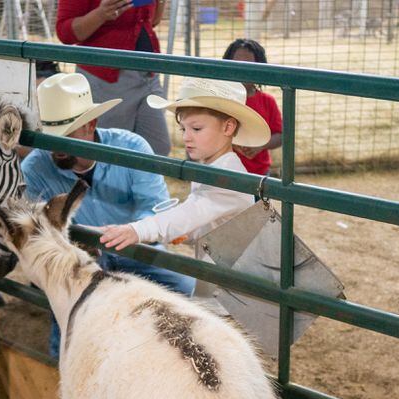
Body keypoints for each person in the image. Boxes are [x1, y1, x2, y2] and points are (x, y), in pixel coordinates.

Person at [24, 72, 195, 357]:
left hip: (137, 251)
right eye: (50, 137)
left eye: (66, 135)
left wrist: (128, 233)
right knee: (66, 342)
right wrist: (76, 248)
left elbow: (153, 206)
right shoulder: (35, 169)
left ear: (90, 124)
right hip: (81, 265)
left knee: (186, 289)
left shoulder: (132, 148)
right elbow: (39, 235)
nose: (56, 147)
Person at [99, 77, 271, 262]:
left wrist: (139, 230)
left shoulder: (229, 177)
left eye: (196, 128)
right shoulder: (208, 168)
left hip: (236, 278)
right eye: (183, 129)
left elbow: (193, 210)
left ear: (228, 127)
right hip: (220, 267)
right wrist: (187, 233)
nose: (186, 138)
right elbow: (206, 222)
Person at [55, 0, 172, 157]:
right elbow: (65, 33)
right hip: (106, 77)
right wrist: (100, 14)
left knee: (158, 148)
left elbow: (151, 22)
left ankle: (141, 181)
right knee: (111, 152)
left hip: (148, 73)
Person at [222, 38, 283, 176]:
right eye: (237, 63)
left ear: (260, 68)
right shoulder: (220, 100)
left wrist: (261, 145)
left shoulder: (267, 101)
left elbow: (280, 135)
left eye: (249, 64)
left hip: (259, 174)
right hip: (226, 172)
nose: (243, 69)